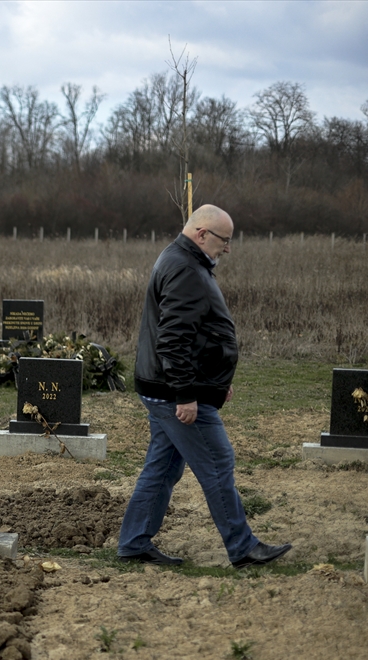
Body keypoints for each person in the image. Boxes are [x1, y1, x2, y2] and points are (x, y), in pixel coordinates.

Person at [117, 204, 292, 568]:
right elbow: (173, 340)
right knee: (217, 460)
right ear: (201, 234)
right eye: (224, 240)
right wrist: (186, 394)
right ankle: (242, 548)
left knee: (163, 466)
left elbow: (198, 334)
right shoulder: (185, 269)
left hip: (168, 386)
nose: (227, 248)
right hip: (174, 392)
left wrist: (215, 383)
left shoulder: (183, 260)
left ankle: (134, 543)